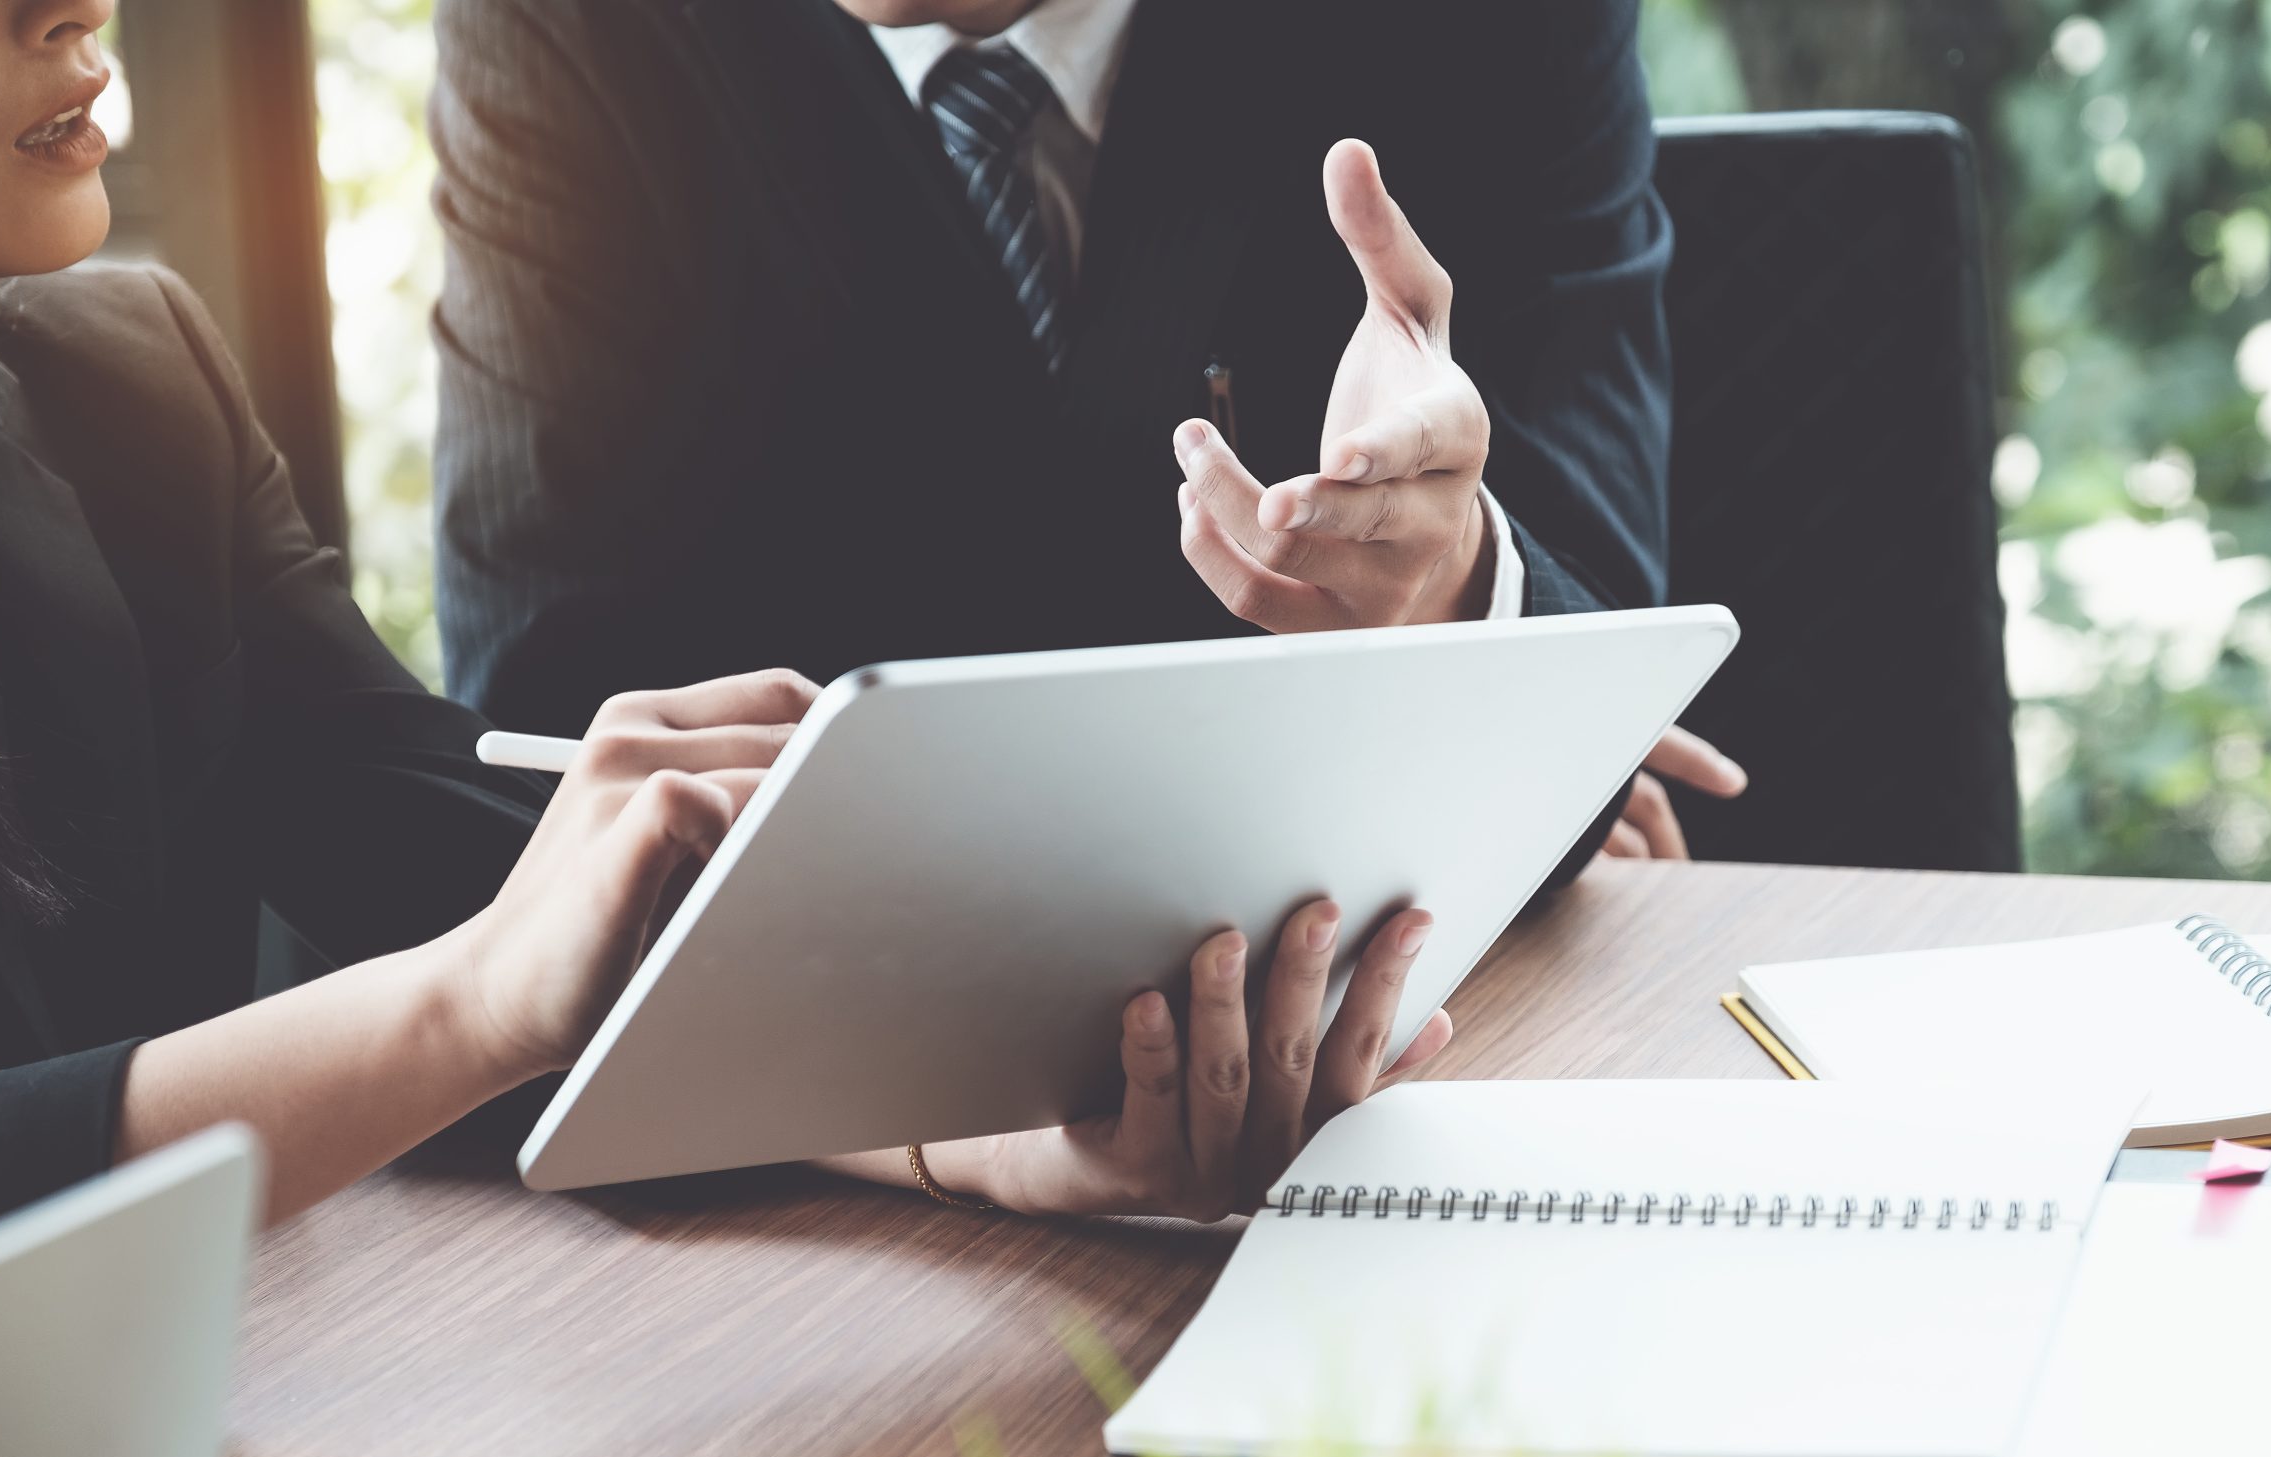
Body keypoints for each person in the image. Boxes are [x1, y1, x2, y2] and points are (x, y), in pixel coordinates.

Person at [0, 0, 1445, 1238]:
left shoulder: (127, 387)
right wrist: (464, 1008)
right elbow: (472, 975)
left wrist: (982, 1132)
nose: (73, 8)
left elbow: (451, 877)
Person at [428, 0, 1748, 863]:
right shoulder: (570, 29)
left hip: (1401, 1004)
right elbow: (556, 730)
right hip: (836, 1051)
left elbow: (1591, 632)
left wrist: (1459, 606)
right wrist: (1441, 770)